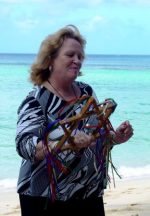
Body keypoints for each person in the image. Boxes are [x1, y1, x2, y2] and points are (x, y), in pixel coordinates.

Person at [15, 25, 133, 216]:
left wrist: (115, 137)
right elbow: (24, 146)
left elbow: (94, 136)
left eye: (80, 56)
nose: (77, 60)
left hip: (89, 193)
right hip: (46, 199)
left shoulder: (86, 92)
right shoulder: (37, 100)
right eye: (70, 55)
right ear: (51, 60)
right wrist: (65, 143)